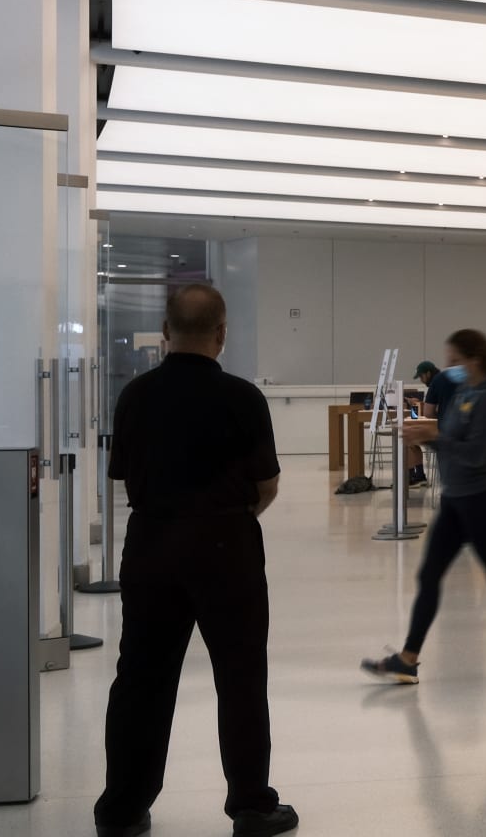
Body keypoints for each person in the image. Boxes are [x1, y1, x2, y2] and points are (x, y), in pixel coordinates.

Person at [94, 284, 299, 837]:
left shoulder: (135, 396)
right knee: (240, 674)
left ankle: (121, 809)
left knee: (141, 676)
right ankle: (252, 805)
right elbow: (268, 484)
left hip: (151, 542)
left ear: (166, 332)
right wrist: (226, 518)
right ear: (222, 334)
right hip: (226, 544)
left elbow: (122, 476)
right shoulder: (243, 398)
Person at [363, 329, 486, 686]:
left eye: (455, 361)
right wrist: (427, 438)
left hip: (479, 500)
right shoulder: (465, 393)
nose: (450, 368)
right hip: (455, 499)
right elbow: (452, 441)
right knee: (429, 576)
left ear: (474, 359)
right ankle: (408, 659)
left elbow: (474, 453)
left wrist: (433, 437)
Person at [405, 360, 453, 487]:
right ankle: (419, 476)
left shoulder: (435, 383)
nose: (421, 380)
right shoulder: (447, 379)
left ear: (428, 373)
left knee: (410, 441)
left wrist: (439, 417)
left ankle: (415, 476)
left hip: (443, 430)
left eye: (421, 377)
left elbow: (428, 412)